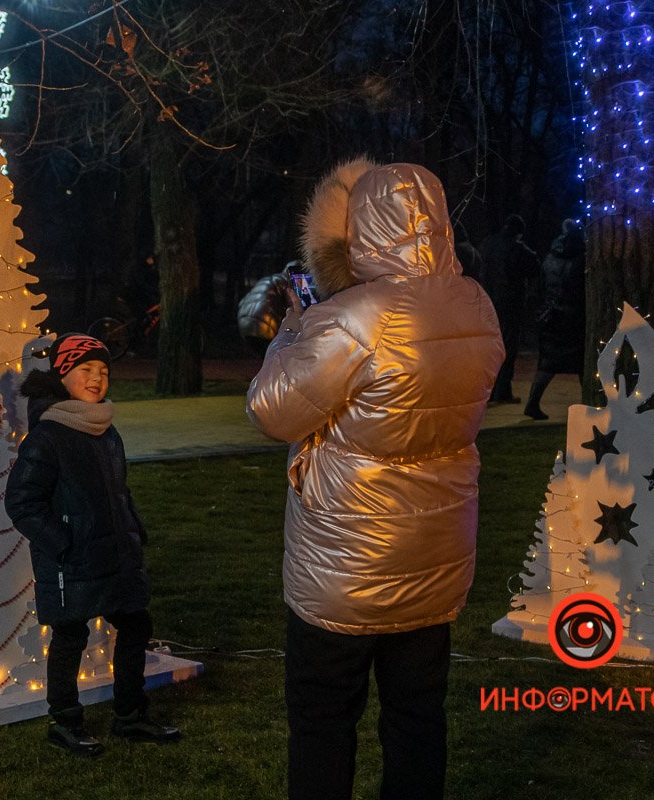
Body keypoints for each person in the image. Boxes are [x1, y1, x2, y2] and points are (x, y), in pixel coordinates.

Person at [247, 158, 503, 800]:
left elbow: (271, 411)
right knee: (417, 720)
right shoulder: (476, 303)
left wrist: (292, 332)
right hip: (436, 555)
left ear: (361, 225)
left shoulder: (352, 320)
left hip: (344, 567)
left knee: (324, 721)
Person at [4, 333, 180, 757]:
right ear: (63, 376)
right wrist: (61, 542)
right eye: (86, 370)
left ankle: (130, 715)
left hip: (113, 552)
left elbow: (117, 490)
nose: (97, 379)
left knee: (136, 625)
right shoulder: (48, 436)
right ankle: (64, 720)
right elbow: (22, 501)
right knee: (70, 635)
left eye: (103, 371)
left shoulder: (106, 430)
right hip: (71, 559)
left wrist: (131, 527)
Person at [524, 219, 586, 420]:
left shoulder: (550, 258)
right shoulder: (581, 259)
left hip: (551, 318)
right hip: (573, 318)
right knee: (583, 364)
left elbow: (542, 287)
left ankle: (533, 402)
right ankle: (590, 403)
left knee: (547, 364)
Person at [478, 214, 539, 403]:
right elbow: (535, 266)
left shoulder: (488, 244)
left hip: (487, 302)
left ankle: (487, 389)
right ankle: (502, 390)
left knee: (489, 347)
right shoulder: (517, 248)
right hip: (510, 304)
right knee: (507, 346)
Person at [237, 263, 293, 353]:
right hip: (266, 326)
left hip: (245, 322)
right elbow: (291, 304)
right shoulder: (286, 283)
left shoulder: (265, 280)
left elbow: (242, 302)